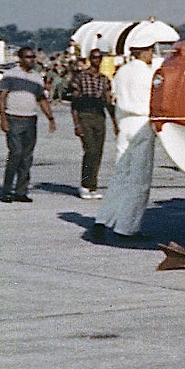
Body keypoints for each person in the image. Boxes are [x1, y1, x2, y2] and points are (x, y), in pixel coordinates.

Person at [93, 44, 158, 239]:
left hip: (124, 124)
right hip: (142, 123)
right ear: (145, 52)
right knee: (139, 179)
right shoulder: (148, 73)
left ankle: (102, 220)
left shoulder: (121, 71)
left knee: (120, 174)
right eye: (151, 51)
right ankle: (127, 228)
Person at [0, 47, 56, 203]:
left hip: (30, 120)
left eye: (33, 57)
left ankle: (21, 191)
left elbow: (41, 99)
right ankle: (7, 190)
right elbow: (2, 97)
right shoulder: (10, 75)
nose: (32, 60)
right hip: (13, 118)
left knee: (27, 157)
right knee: (15, 154)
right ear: (20, 58)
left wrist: (50, 117)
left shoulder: (37, 78)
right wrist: (3, 118)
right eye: (28, 57)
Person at [68, 50, 115, 199]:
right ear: (90, 59)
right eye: (94, 58)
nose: (97, 60)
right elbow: (74, 103)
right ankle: (85, 185)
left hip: (99, 116)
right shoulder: (80, 78)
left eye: (99, 58)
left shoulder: (104, 79)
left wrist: (115, 122)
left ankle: (92, 185)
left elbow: (108, 102)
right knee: (90, 150)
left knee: (98, 152)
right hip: (85, 115)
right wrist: (77, 124)